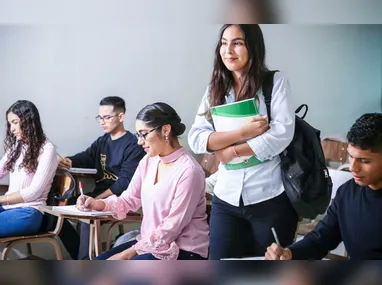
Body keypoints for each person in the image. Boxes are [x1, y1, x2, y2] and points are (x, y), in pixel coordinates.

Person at [188, 24, 298, 260]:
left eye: (237, 42)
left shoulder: (274, 82)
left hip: (269, 197)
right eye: (224, 43)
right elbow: (196, 138)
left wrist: (231, 152)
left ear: (253, 46)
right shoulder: (215, 89)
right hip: (226, 198)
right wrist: (241, 134)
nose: (229, 50)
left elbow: (281, 134)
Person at [77, 102, 209, 260]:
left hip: (184, 250)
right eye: (138, 134)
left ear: (165, 130)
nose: (140, 141)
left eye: (143, 134)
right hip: (149, 244)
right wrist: (97, 203)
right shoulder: (148, 161)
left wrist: (125, 255)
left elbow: (171, 228)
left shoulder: (189, 171)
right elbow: (130, 198)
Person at [265, 113, 382, 260]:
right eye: (351, 156)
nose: (353, 167)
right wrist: (290, 253)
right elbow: (320, 239)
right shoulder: (347, 193)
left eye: (364, 161)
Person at [58, 96, 145, 260]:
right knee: (56, 212)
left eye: (107, 117)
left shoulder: (133, 144)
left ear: (121, 116)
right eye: (100, 117)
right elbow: (87, 156)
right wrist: (70, 161)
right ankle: (80, 257)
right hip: (97, 195)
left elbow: (124, 184)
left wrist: (96, 200)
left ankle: (83, 263)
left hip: (119, 199)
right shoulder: (103, 141)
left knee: (86, 217)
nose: (102, 122)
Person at [0, 100, 57, 238]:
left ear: (28, 121)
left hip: (29, 212)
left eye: (15, 122)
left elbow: (33, 192)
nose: (12, 129)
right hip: (8, 209)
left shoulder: (47, 149)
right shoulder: (17, 147)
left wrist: (1, 199)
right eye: (10, 124)